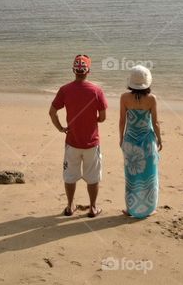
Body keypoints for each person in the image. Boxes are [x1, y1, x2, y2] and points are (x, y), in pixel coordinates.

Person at [49, 54, 108, 217]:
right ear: (88, 71)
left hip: (72, 141)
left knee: (70, 176)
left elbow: (52, 112)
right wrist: (92, 119)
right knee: (93, 177)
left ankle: (70, 206)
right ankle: (93, 207)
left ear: (73, 71)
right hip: (91, 142)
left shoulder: (65, 89)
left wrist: (61, 128)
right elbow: (102, 118)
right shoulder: (96, 90)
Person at [119, 65, 161, 218]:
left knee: (132, 176)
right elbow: (155, 123)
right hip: (147, 141)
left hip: (130, 140)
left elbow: (122, 121)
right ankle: (149, 209)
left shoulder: (124, 98)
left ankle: (131, 209)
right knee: (149, 175)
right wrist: (159, 139)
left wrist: (121, 138)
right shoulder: (151, 99)